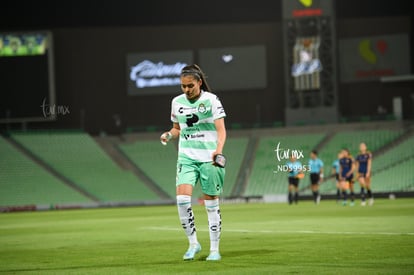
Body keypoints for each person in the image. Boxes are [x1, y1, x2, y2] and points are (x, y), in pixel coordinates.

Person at [160, 64, 226, 261]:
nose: (186, 90)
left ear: (199, 82)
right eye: (183, 86)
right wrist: (168, 135)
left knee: (211, 204)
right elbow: (177, 128)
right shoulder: (176, 102)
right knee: (182, 201)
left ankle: (214, 250)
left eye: (190, 86)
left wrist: (218, 150)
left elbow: (221, 130)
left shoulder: (211, 100)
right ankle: (193, 243)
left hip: (208, 158)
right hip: (187, 157)